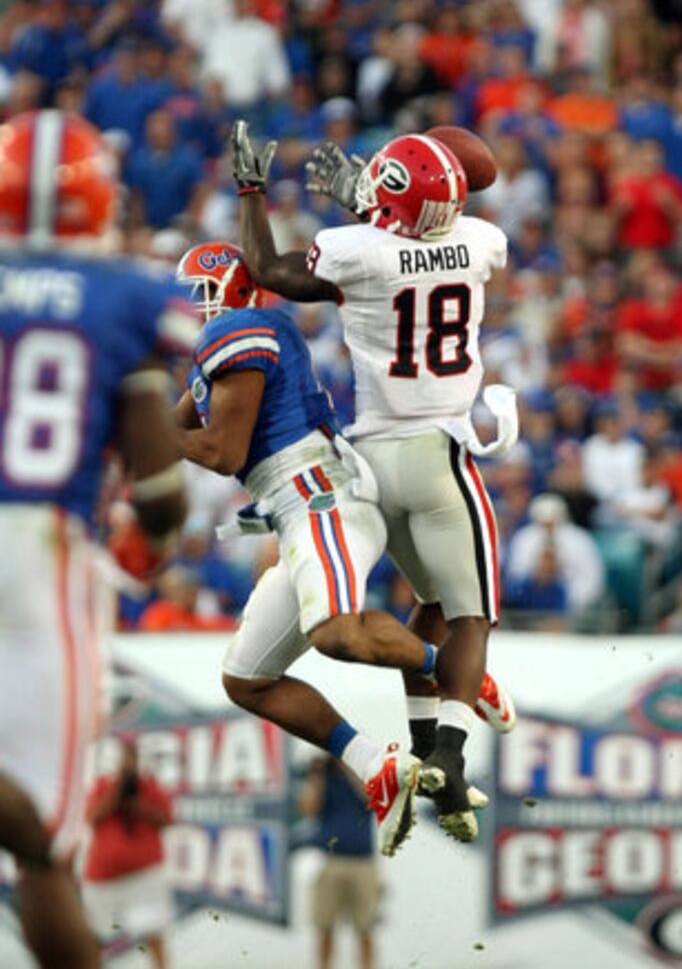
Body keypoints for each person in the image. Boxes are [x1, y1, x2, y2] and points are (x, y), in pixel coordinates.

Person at [229, 121, 518, 844]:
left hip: (368, 461)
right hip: (438, 454)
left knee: (428, 606)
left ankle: (423, 753)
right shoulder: (481, 241)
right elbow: (422, 237)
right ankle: (450, 756)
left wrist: (252, 191)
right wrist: (372, 200)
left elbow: (269, 269)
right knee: (469, 616)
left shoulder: (353, 250)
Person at [173, 240, 499, 854]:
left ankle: (457, 672)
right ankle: (376, 765)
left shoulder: (242, 328)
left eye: (202, 292)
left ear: (235, 288)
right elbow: (176, 426)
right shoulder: (221, 346)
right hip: (296, 509)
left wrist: (146, 440)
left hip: (318, 495)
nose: (194, 305)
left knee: (335, 633)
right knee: (247, 680)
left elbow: (222, 451)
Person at [0, 110, 196, 968]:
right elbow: (157, 493)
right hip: (39, 551)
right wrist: (151, 544)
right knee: (44, 837)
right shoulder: (128, 295)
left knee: (36, 834)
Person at [82, 738, 174, 969]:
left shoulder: (149, 786)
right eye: (125, 757)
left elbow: (167, 820)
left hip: (144, 877)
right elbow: (92, 818)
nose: (128, 762)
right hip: (102, 879)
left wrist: (139, 806)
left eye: (132, 756)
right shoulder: (104, 785)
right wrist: (116, 792)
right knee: (94, 938)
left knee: (153, 933)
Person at [299, 757, 380, 969]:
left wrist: (350, 765)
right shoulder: (323, 775)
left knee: (366, 927)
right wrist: (317, 776)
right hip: (329, 862)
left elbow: (373, 797)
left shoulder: (364, 772)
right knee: (325, 927)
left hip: (363, 862)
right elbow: (309, 810)